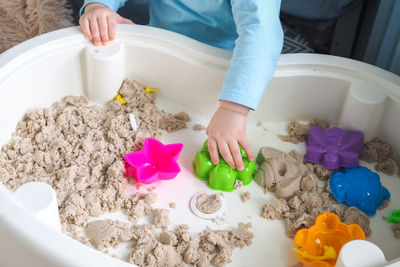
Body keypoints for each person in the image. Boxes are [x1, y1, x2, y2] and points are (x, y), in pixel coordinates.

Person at [79, 0, 283, 171]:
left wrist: (234, 108)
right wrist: (98, 6)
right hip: (163, 40)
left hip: (229, 60)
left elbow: (261, 31)